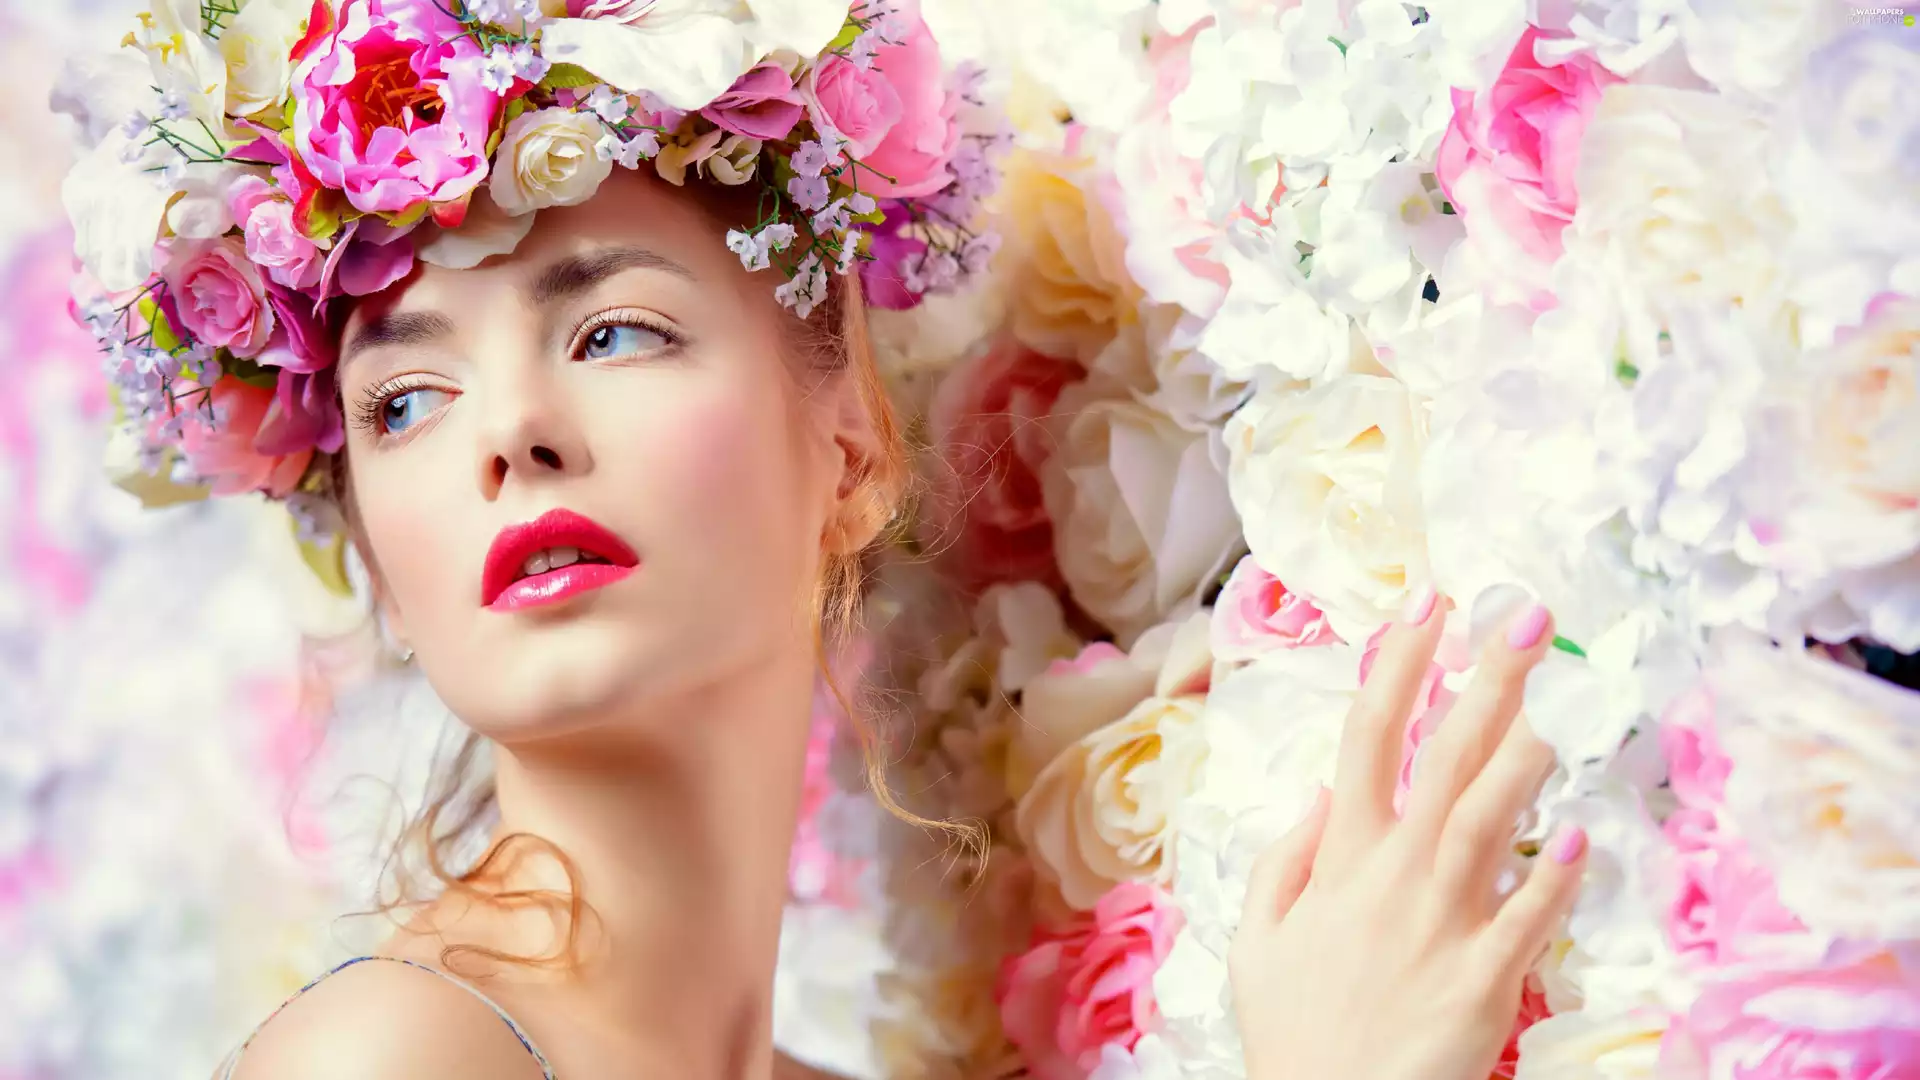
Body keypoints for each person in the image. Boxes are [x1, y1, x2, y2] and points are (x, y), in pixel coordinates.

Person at [56, 2, 1586, 1077]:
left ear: (850, 444)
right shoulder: (395, 1058)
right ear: (382, 564)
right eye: (404, 400)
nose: (505, 432)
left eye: (615, 331)